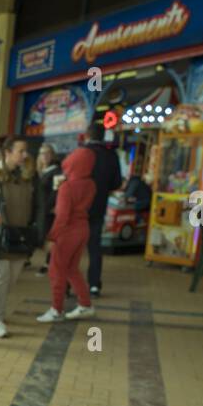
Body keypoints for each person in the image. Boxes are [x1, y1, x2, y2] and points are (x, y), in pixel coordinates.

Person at [0, 137, 36, 338]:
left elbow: (37, 204)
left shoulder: (28, 175)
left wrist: (38, 233)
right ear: (7, 153)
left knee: (11, 279)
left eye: (26, 151)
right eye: (20, 151)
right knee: (0, 277)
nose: (25, 155)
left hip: (21, 236)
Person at [38, 147, 97, 322]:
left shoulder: (67, 186)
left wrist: (52, 237)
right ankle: (85, 304)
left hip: (66, 232)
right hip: (83, 229)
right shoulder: (90, 184)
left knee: (56, 271)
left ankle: (56, 309)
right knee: (72, 269)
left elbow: (62, 216)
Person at [83, 122, 123, 296]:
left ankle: (69, 284)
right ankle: (94, 284)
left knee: (73, 247)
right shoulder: (111, 155)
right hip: (99, 206)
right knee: (94, 247)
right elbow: (117, 183)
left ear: (87, 135)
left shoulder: (82, 153)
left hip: (79, 207)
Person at [33, 143, 61, 277]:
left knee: (48, 237)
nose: (44, 156)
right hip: (38, 209)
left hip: (48, 209)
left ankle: (50, 263)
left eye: (48, 153)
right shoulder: (37, 171)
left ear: (52, 155)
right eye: (42, 153)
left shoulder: (56, 171)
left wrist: (51, 206)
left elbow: (57, 191)